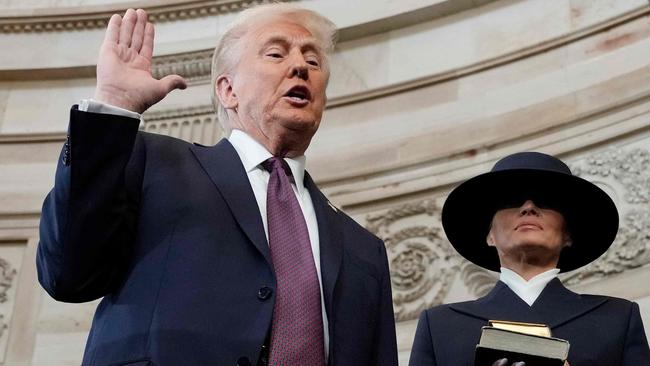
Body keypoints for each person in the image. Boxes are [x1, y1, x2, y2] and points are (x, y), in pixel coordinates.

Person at [37, 5, 397, 366]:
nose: (300, 66)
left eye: (314, 62)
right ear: (228, 90)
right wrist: (113, 105)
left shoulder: (363, 251)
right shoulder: (154, 164)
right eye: (276, 53)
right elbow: (68, 273)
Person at [408, 152, 650, 366]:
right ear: (489, 235)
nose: (528, 207)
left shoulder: (616, 319)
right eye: (511, 200)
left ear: (568, 235)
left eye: (546, 200)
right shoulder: (441, 326)